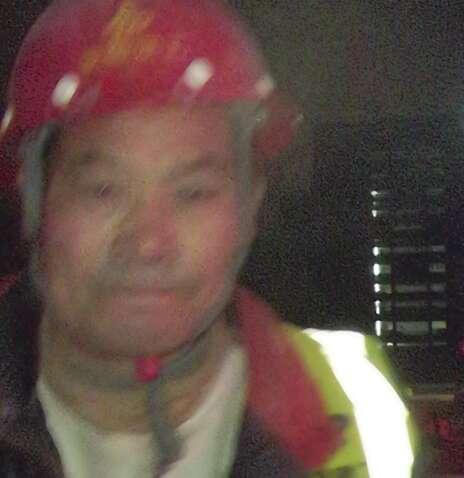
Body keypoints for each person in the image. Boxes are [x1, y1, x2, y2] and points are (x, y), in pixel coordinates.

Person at [0, 0, 420, 476]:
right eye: (103, 191)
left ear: (249, 205)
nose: (147, 244)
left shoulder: (353, 399)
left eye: (193, 193)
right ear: (35, 205)